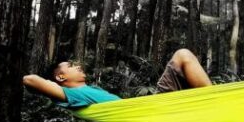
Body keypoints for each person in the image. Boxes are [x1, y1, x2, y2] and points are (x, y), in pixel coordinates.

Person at [22, 48, 212, 109]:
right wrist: (52, 84)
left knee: (183, 58)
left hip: (153, 105)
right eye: (71, 66)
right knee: (183, 55)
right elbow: (30, 80)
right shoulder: (72, 94)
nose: (79, 66)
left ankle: (217, 99)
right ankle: (217, 102)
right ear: (61, 76)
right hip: (153, 112)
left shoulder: (90, 90)